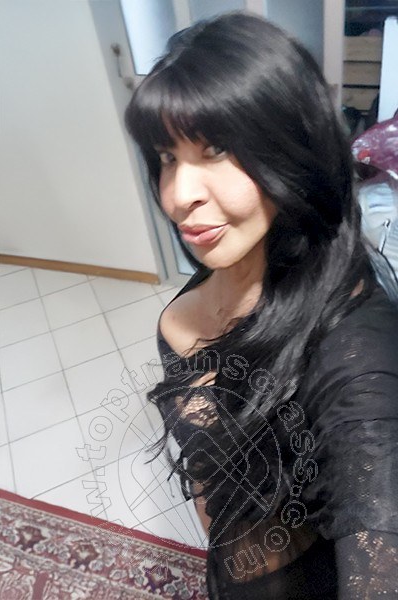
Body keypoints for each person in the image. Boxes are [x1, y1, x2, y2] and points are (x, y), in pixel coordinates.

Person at [124, 12, 398, 599]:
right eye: (167, 157)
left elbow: (376, 510)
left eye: (217, 149)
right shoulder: (218, 279)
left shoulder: (354, 351)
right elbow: (210, 479)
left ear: (292, 150)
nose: (179, 196)